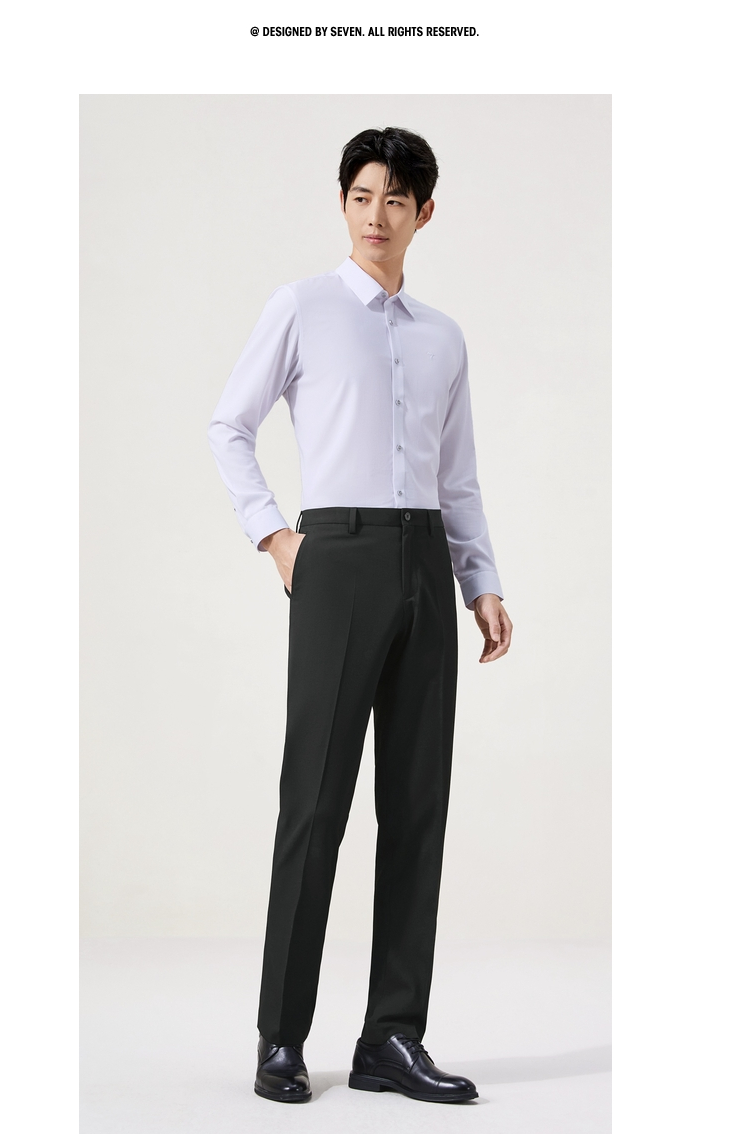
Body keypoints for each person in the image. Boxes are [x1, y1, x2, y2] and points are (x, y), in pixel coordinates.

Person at [208, 126, 512, 1105]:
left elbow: (457, 477)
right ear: (342, 203)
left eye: (396, 200)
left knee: (418, 805)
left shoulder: (442, 337)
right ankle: (281, 1038)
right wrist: (275, 536)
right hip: (334, 556)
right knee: (315, 802)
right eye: (362, 195)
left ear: (425, 213)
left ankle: (391, 1036)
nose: (377, 215)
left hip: (424, 560)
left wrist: (480, 580)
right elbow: (229, 425)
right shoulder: (301, 308)